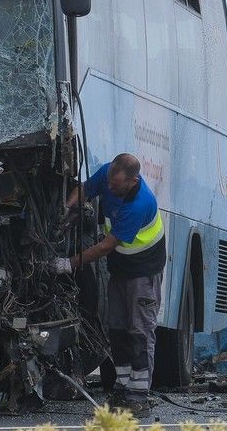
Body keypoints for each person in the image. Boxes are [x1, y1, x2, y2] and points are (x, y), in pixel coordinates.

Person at [59, 153, 166, 416]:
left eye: (116, 185)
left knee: (139, 331)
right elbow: (85, 189)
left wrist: (68, 264)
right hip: (121, 268)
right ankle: (122, 388)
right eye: (109, 182)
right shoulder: (109, 175)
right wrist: (67, 208)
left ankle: (139, 395)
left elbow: (107, 246)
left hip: (143, 270)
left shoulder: (139, 204)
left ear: (133, 181)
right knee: (117, 328)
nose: (110, 189)